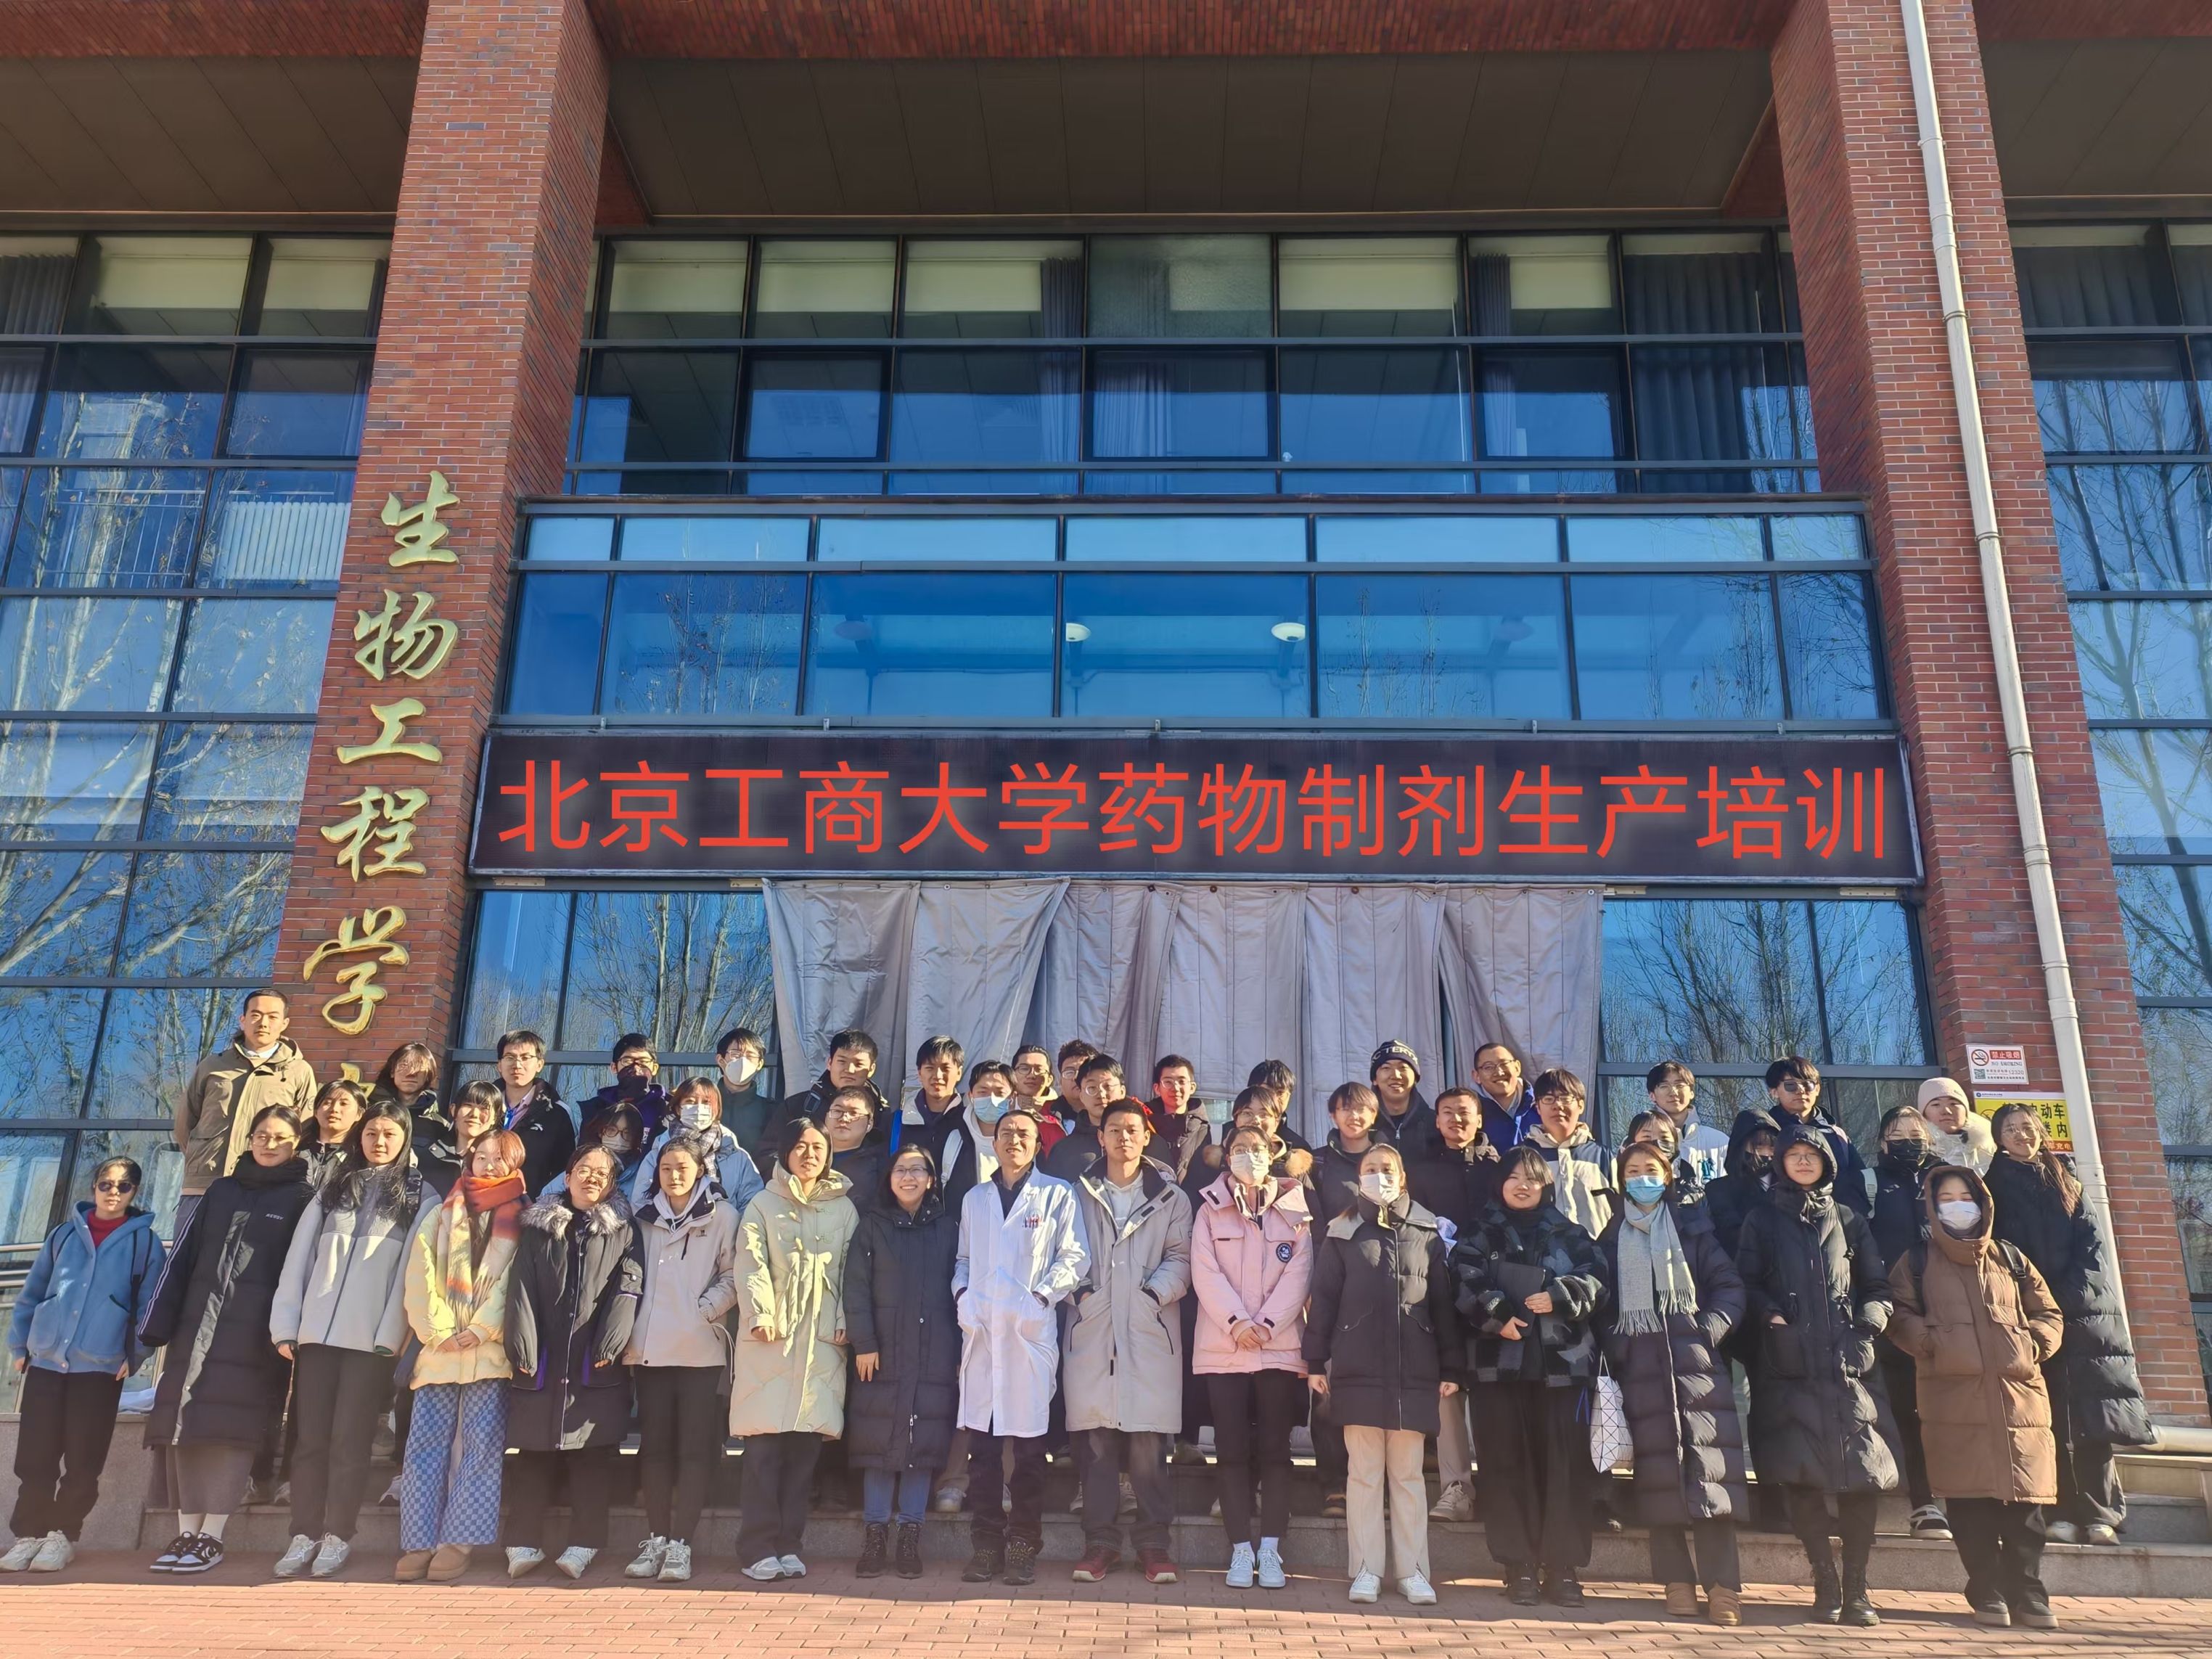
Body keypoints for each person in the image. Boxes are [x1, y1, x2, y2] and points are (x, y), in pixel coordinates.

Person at [139, 1103, 314, 1575]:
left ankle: (212, 1536)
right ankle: (186, 1531)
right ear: (250, 1139)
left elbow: (303, 1273)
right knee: (186, 1427)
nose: (269, 1143)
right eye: (262, 1135)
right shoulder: (221, 1191)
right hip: (195, 1329)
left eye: (279, 1137)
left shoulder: (303, 1199)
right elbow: (182, 1259)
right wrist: (156, 1325)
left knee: (230, 1433)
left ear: (296, 1145)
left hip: (253, 1339)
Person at [1889, 1164, 2066, 1629]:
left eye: (1965, 1197)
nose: (1957, 1206)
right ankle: (1986, 1590)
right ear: (1932, 1208)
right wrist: (1932, 1344)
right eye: (1946, 1199)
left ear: (1983, 1203)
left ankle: (2029, 1593)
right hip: (1953, 1399)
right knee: (1970, 1504)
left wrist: (2033, 1345)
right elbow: (1898, 1314)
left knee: (2026, 1505)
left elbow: (2048, 1311)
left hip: (2018, 1399)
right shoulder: (1916, 1261)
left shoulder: (2011, 1257)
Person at [1736, 1123, 1898, 1626]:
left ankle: (1858, 1588)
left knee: (1862, 1477)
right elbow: (1745, 1284)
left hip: (1847, 1364)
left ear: (1827, 1162)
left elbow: (1877, 1286)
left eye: (1813, 1154)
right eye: (1794, 1154)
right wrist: (1772, 1317)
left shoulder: (1849, 1218)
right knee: (1800, 1475)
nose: (1803, 1161)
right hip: (1789, 1366)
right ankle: (1824, 1579)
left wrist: (1869, 1323)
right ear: (1781, 1163)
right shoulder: (1761, 1220)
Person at [269, 1097, 430, 1578]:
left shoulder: (420, 1195)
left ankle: (338, 1534)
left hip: (370, 1343)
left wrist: (391, 1336)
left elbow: (409, 1276)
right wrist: (287, 1325)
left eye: (389, 1134)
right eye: (372, 1133)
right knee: (310, 1441)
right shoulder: (334, 1187)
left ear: (404, 1140)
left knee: (350, 1441)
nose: (379, 1142)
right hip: (316, 1336)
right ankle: (303, 1533)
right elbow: (298, 1260)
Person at [1985, 1102, 2153, 1545]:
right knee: (2048, 1417)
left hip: (2086, 1316)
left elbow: (2093, 1250)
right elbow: (1997, 1255)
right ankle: (2058, 1510)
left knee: (2093, 1416)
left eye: (2028, 1127)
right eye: (2010, 1129)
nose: (2022, 1135)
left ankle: (2101, 1514)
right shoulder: (1991, 1187)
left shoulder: (2068, 1180)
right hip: (2030, 1318)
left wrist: (2066, 1298)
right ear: (1998, 1138)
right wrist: (2035, 1304)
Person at [1599, 1140, 1748, 1626]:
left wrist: (1709, 1330)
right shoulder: (1611, 1236)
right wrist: (1622, 1346)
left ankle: (1723, 1588)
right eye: (1633, 1171)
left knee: (1712, 1475)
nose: (1642, 1178)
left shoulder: (1692, 1228)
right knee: (1658, 1478)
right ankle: (1676, 1582)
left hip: (1698, 1368)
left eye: (1651, 1169)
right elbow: (1602, 1303)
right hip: (1641, 1373)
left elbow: (1729, 1286)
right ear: (1622, 1180)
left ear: (1666, 1175)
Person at [1306, 1141, 1460, 1606]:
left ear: (1403, 1177)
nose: (1380, 1176)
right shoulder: (1341, 1232)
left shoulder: (1428, 1230)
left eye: (1388, 1169)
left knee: (1408, 1477)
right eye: (1371, 1168)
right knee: (1364, 1475)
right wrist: (1314, 1361)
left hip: (1415, 1370)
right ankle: (1366, 1570)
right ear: (1359, 1178)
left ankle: (1413, 1571)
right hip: (1357, 1367)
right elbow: (1323, 1300)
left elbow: (1443, 1304)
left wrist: (1452, 1366)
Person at [1452, 1146, 1607, 1607]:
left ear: (1547, 1185)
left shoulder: (1570, 1233)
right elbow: (1462, 1278)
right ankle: (1517, 1566)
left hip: (1564, 1371)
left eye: (1533, 1178)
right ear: (1499, 1182)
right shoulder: (1477, 1233)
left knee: (1565, 1469)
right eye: (1514, 1176)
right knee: (1504, 1466)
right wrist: (1496, 1313)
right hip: (1496, 1370)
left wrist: (1561, 1295)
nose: (1523, 1185)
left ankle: (1563, 1569)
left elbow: (1598, 1278)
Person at [4, 1156, 164, 1574]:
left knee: (83, 1458)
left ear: (135, 1192)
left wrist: (136, 1353)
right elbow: (33, 1290)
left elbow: (151, 1305)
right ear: (94, 1187)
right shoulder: (62, 1235)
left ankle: (62, 1535)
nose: (113, 1192)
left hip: (101, 1366)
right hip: (46, 1360)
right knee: (35, 1456)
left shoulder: (144, 1243)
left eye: (124, 1186)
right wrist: (20, 1342)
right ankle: (28, 1534)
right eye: (106, 1184)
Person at [953, 1106, 1086, 1586]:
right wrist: (962, 1296)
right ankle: (986, 1545)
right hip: (983, 1334)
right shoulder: (975, 1198)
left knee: (1030, 1454)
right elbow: (963, 1259)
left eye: (1023, 1134)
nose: (1013, 1139)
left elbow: (1075, 1257)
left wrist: (1041, 1298)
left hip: (1029, 1335)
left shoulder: (1057, 1194)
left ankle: (1025, 1545)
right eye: (1006, 1132)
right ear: (994, 1142)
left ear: (1036, 1144)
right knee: (984, 1452)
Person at [1065, 1099, 1192, 1586]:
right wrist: (1083, 1294)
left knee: (1147, 1443)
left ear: (1146, 1137)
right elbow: (1061, 1250)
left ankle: (1153, 1546)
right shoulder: (1076, 1192)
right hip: (1094, 1326)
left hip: (1147, 1328)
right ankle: (1100, 1544)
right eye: (1114, 1129)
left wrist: (1152, 1295)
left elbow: (1182, 1256)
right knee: (1096, 1443)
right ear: (1101, 1137)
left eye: (1132, 1130)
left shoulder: (1171, 1198)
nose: (1123, 1138)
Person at [501, 1145, 642, 1581]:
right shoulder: (539, 1227)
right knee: (532, 1454)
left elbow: (628, 1288)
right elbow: (521, 1288)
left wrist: (610, 1343)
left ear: (612, 1183)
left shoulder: (624, 1230)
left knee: (592, 1457)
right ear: (567, 1177)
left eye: (602, 1173)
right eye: (583, 1169)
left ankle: (585, 1542)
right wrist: (523, 1346)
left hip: (594, 1360)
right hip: (543, 1357)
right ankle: (521, 1541)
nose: (591, 1178)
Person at [395, 1128, 527, 1583]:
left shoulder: (524, 1217)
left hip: (489, 1354)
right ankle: (418, 1541)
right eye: (481, 1157)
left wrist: (481, 1327)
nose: (488, 1165)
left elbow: (515, 1281)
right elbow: (420, 1273)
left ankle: (458, 1541)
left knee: (481, 1450)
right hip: (438, 1353)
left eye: (499, 1158)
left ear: (514, 1164)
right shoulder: (441, 1211)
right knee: (424, 1447)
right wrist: (438, 1330)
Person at [730, 1118, 857, 1580]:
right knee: (763, 1452)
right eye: (801, 1146)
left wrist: (844, 1321)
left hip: (822, 1345)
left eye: (818, 1147)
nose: (809, 1155)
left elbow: (851, 1272)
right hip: (772, 1340)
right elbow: (750, 1263)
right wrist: (761, 1314)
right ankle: (756, 1547)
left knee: (804, 1455)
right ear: (785, 1152)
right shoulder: (763, 1204)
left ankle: (788, 1545)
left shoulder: (844, 1208)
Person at [1191, 1121, 1312, 1592]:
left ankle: (1271, 1549)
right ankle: (1241, 1548)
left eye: (1256, 1149)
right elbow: (1205, 1271)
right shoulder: (1209, 1209)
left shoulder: (1296, 1209)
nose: (1249, 1156)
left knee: (1276, 1451)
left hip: (1278, 1348)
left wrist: (1266, 1324)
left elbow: (1300, 1272)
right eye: (1239, 1149)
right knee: (1232, 1451)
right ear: (1227, 1158)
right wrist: (1238, 1323)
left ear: (1272, 1154)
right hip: (1225, 1348)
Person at [623, 1131, 741, 1584]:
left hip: (700, 1348)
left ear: (700, 1171)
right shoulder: (642, 1215)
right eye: (666, 1167)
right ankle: (656, 1538)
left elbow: (734, 1274)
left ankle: (681, 1544)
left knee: (694, 1449)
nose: (674, 1175)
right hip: (649, 1347)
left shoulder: (722, 1215)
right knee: (654, 1448)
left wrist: (704, 1309)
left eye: (683, 1168)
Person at [845, 1145, 962, 1579]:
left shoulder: (948, 1228)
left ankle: (910, 1536)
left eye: (917, 1170)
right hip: (881, 1353)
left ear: (931, 1180)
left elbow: (960, 1290)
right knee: (878, 1442)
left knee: (923, 1444)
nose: (908, 1177)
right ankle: (875, 1534)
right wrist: (864, 1342)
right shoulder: (872, 1226)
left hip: (935, 1352)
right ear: (889, 1177)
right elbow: (855, 1288)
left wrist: (959, 1352)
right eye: (900, 1170)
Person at [1408, 1086, 1502, 1525]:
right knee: (1447, 1391)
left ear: (1479, 1119)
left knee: (1493, 1393)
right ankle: (1456, 1488)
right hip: (1440, 1295)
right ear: (1437, 1120)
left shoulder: (1501, 1169)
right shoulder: (1420, 1171)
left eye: (1465, 1112)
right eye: (1447, 1112)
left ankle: (1501, 1485)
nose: (1456, 1120)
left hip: (1494, 1297)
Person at [173, 988, 316, 1238]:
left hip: (265, 1187)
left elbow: (303, 1131)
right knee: (187, 1253)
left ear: (284, 1024)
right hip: (205, 1183)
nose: (263, 1023)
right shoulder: (213, 1065)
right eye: (256, 1015)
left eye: (273, 1017)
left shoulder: (299, 1071)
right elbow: (186, 1122)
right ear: (243, 1020)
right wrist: (203, 1154)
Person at [1870, 1104, 1948, 1541]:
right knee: (1907, 1407)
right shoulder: (1869, 1183)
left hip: (1950, 1309)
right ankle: (1924, 1501)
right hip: (1896, 1311)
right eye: (1897, 1136)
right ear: (1882, 1142)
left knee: (1952, 1406)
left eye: (1915, 1135)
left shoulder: (1947, 1180)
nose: (1907, 1142)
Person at [1737, 1056, 1871, 1217]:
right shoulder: (1765, 1134)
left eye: (1808, 1084)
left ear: (1818, 1089)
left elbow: (1857, 1183)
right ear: (1774, 1091)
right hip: (1780, 1223)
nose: (1801, 1091)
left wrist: (1855, 1220)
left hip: (1835, 1223)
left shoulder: (1836, 1134)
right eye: (1791, 1085)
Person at [629, 1074, 764, 1213]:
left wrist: (728, 1222)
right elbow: (641, 1201)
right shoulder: (658, 1153)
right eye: (690, 1102)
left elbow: (752, 1203)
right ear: (678, 1108)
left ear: (717, 1109)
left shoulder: (735, 1155)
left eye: (706, 1103)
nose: (699, 1108)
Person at [1523, 1068, 1613, 1239]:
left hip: (1596, 1250)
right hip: (1541, 1251)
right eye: (1548, 1099)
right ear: (1538, 1108)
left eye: (1565, 1098)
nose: (1558, 1105)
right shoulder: (1524, 1157)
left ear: (1581, 1105)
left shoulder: (1603, 1156)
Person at [491, 1029, 575, 1197]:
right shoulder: (483, 1106)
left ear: (539, 1064)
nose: (517, 1065)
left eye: (525, 1058)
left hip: (531, 1205)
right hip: (479, 1203)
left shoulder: (557, 1113)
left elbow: (564, 1171)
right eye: (510, 1057)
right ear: (499, 1065)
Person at [783, 1027, 891, 1142]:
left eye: (858, 1064)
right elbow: (773, 1149)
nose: (849, 1070)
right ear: (830, 1063)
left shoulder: (882, 1114)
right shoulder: (797, 1107)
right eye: (842, 1062)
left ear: (871, 1069)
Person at [1705, 1111, 1779, 1258]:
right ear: (1740, 1146)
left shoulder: (1790, 1186)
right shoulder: (1719, 1190)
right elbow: (1731, 1234)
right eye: (1758, 1146)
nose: (1766, 1154)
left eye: (1772, 1147)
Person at [414, 1079, 504, 1197]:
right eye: (468, 1105)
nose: (474, 1114)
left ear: (495, 1118)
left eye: (484, 1108)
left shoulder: (500, 1164)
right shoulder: (428, 1157)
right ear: (453, 1110)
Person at [1044, 1052, 1125, 1181]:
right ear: (1081, 1096)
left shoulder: (1141, 1141)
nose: (1101, 1094)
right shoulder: (1064, 1151)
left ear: (1122, 1091)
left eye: (1108, 1086)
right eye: (1092, 1088)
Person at [1647, 1062, 1730, 1185]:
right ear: (1652, 1096)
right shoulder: (1641, 1140)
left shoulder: (1719, 1141)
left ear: (1692, 1093)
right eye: (1664, 1086)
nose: (1673, 1092)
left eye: (1680, 1085)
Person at [577, 1033, 670, 1141]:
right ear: (614, 1068)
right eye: (627, 1061)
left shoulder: (668, 1109)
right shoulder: (595, 1110)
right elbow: (586, 1149)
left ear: (654, 1068)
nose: (636, 1069)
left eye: (644, 1062)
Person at [1313, 1081, 1383, 1221]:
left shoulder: (1390, 1161)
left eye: (1361, 1109)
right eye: (1346, 1109)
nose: (1354, 1116)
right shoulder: (1317, 1162)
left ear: (1373, 1115)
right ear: (1333, 1116)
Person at [548, 1099, 647, 1200]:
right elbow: (546, 1200)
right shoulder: (579, 1168)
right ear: (601, 1132)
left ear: (636, 1137)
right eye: (611, 1130)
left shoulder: (642, 1175)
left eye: (627, 1133)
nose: (619, 1139)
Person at [715, 1026, 776, 1171]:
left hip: (754, 1183)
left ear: (759, 1064)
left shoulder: (771, 1111)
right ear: (721, 1060)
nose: (743, 1061)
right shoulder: (704, 1105)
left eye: (750, 1056)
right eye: (735, 1054)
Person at [823, 1085, 888, 1209]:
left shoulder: (881, 1166)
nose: (844, 1118)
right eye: (837, 1111)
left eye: (854, 1113)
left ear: (869, 1124)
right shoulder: (807, 1154)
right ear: (826, 1118)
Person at [904, 1033, 968, 1158]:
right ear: (919, 1073)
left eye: (945, 1068)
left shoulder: (970, 1120)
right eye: (930, 1068)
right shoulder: (898, 1123)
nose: (938, 1076)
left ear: (959, 1073)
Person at [1625, 1111, 1706, 1209]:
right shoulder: (1619, 1187)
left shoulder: (1693, 1193)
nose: (1657, 1143)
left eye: (1664, 1138)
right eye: (1647, 1137)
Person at [1470, 1041, 1540, 1150]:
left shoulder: (1542, 1104)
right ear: (1476, 1076)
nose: (1499, 1072)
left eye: (1504, 1064)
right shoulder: (1471, 1112)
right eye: (1488, 1067)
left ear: (1517, 1067)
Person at [1920, 1076, 1995, 1175]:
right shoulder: (1917, 1154)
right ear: (1924, 1113)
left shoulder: (1992, 1150)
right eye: (1936, 1105)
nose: (1946, 1111)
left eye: (1953, 1103)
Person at [303, 1078, 366, 1184]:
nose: (334, 1109)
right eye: (327, 1103)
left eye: (344, 1104)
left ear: (359, 1114)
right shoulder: (295, 1152)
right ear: (316, 1112)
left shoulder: (360, 1158)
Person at [1008, 1045, 1059, 1119]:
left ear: (1049, 1079)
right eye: (1024, 1069)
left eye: (1039, 1070)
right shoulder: (998, 1108)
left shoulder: (1062, 1112)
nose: (1032, 1075)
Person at [1056, 1040, 1102, 1119]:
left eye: (1084, 1071)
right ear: (1060, 1082)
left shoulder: (1117, 1115)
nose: (1077, 1077)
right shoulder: (1042, 1119)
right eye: (1069, 1073)